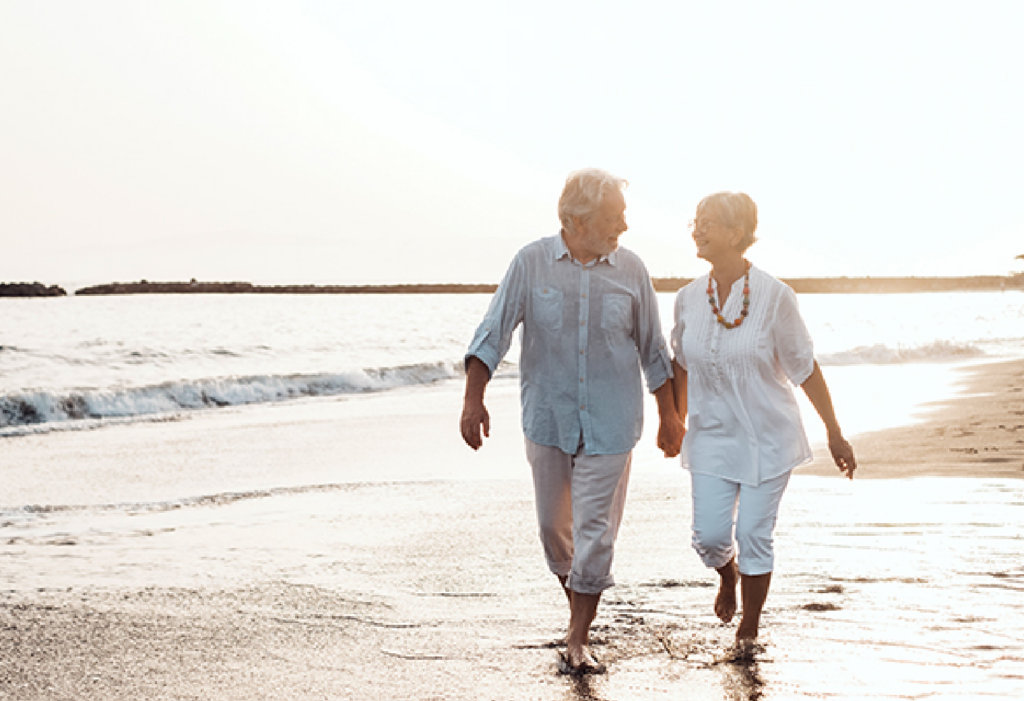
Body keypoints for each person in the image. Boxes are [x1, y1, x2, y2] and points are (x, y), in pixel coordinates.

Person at [460, 168, 684, 674]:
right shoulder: (531, 262)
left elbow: (653, 350)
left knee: (595, 533)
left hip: (612, 422)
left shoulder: (632, 270)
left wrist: (669, 416)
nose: (623, 226)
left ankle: (578, 638)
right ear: (577, 220)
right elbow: (492, 333)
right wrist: (473, 400)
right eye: (613, 217)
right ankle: (581, 602)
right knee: (553, 531)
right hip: (549, 419)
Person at [669, 191, 856, 648]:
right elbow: (681, 363)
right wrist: (672, 419)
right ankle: (727, 575)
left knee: (754, 533)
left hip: (769, 436)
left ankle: (748, 631)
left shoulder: (775, 296)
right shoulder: (688, 298)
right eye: (695, 221)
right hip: (712, 437)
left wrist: (834, 432)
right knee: (709, 537)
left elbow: (804, 367)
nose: (697, 229)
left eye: (708, 222)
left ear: (736, 233)